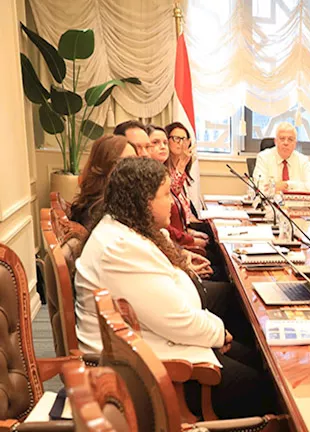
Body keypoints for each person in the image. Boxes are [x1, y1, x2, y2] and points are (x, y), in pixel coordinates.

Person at [75, 157, 275, 418]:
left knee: (257, 362)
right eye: (166, 194)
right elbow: (177, 320)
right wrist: (218, 332)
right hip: (150, 374)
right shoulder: (121, 249)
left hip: (158, 347)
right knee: (263, 388)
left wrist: (214, 330)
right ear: (144, 200)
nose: (172, 202)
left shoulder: (125, 230)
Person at [145, 124, 208, 251]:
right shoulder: (148, 177)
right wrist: (190, 239)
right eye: (177, 139)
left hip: (180, 235)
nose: (163, 146)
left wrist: (189, 233)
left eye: (184, 139)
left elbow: (180, 211)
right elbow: (163, 226)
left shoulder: (167, 171)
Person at [69, 135, 136, 228]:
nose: (135, 166)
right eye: (126, 162)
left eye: (136, 160)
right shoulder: (101, 210)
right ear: (106, 165)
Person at [253, 122, 310, 193]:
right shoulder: (263, 158)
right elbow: (260, 188)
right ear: (275, 141)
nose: (286, 143)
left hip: (296, 200)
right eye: (282, 139)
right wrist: (298, 186)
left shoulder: (303, 160)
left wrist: (287, 184)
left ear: (295, 143)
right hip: (271, 200)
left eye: (290, 139)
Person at [165, 122, 196, 223]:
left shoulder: (184, 168)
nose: (181, 143)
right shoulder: (162, 169)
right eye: (176, 138)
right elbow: (172, 194)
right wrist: (182, 164)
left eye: (184, 139)